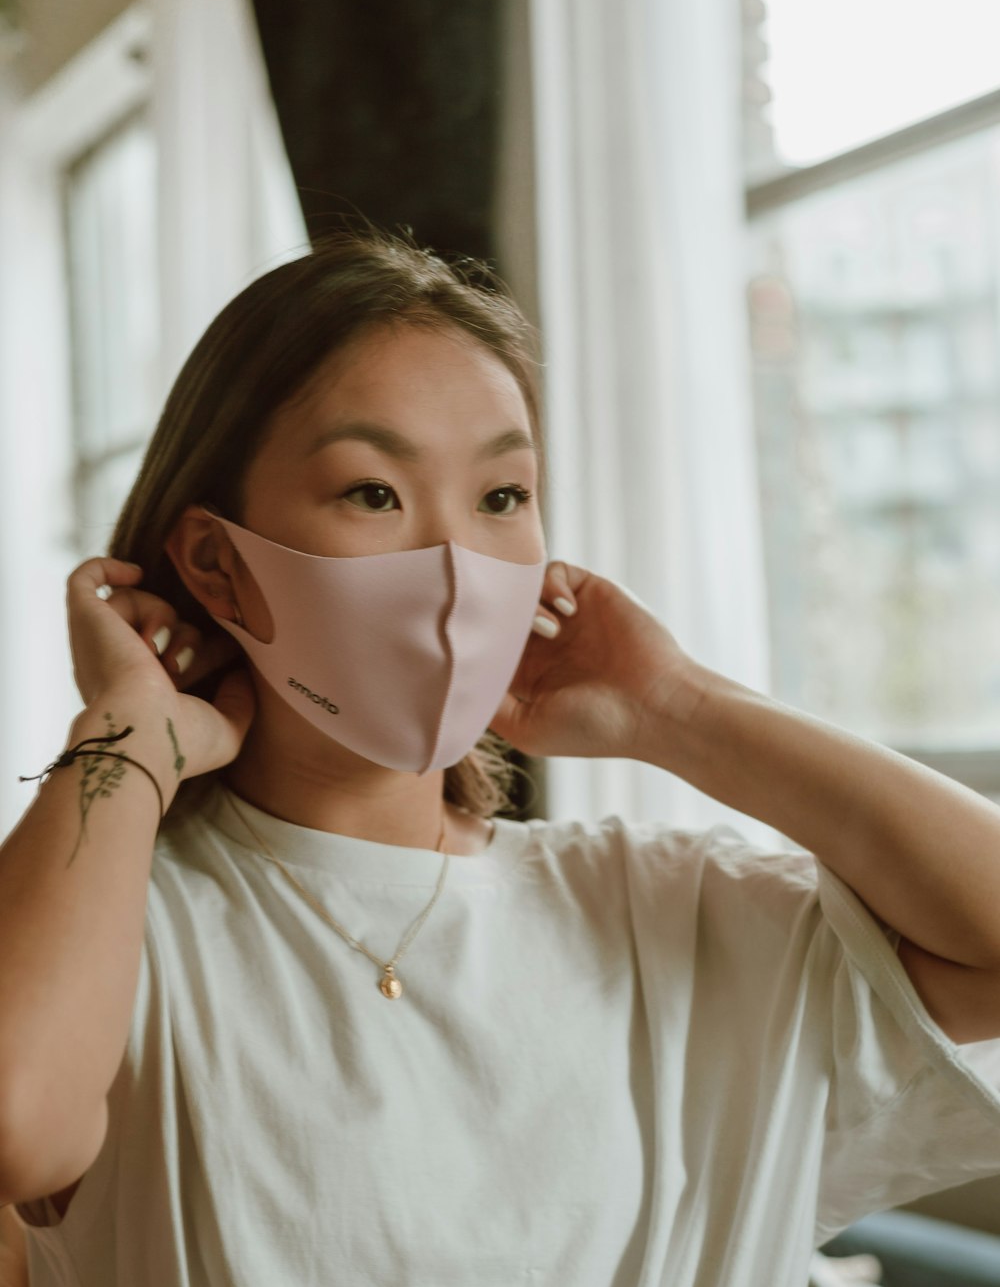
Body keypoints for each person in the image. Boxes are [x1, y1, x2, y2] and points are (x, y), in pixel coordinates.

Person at [1, 227, 1000, 1287]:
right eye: (373, 492)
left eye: (501, 497)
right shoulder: (106, 924)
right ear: (218, 563)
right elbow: (20, 1122)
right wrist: (126, 738)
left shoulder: (656, 907)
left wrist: (679, 706)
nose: (455, 566)